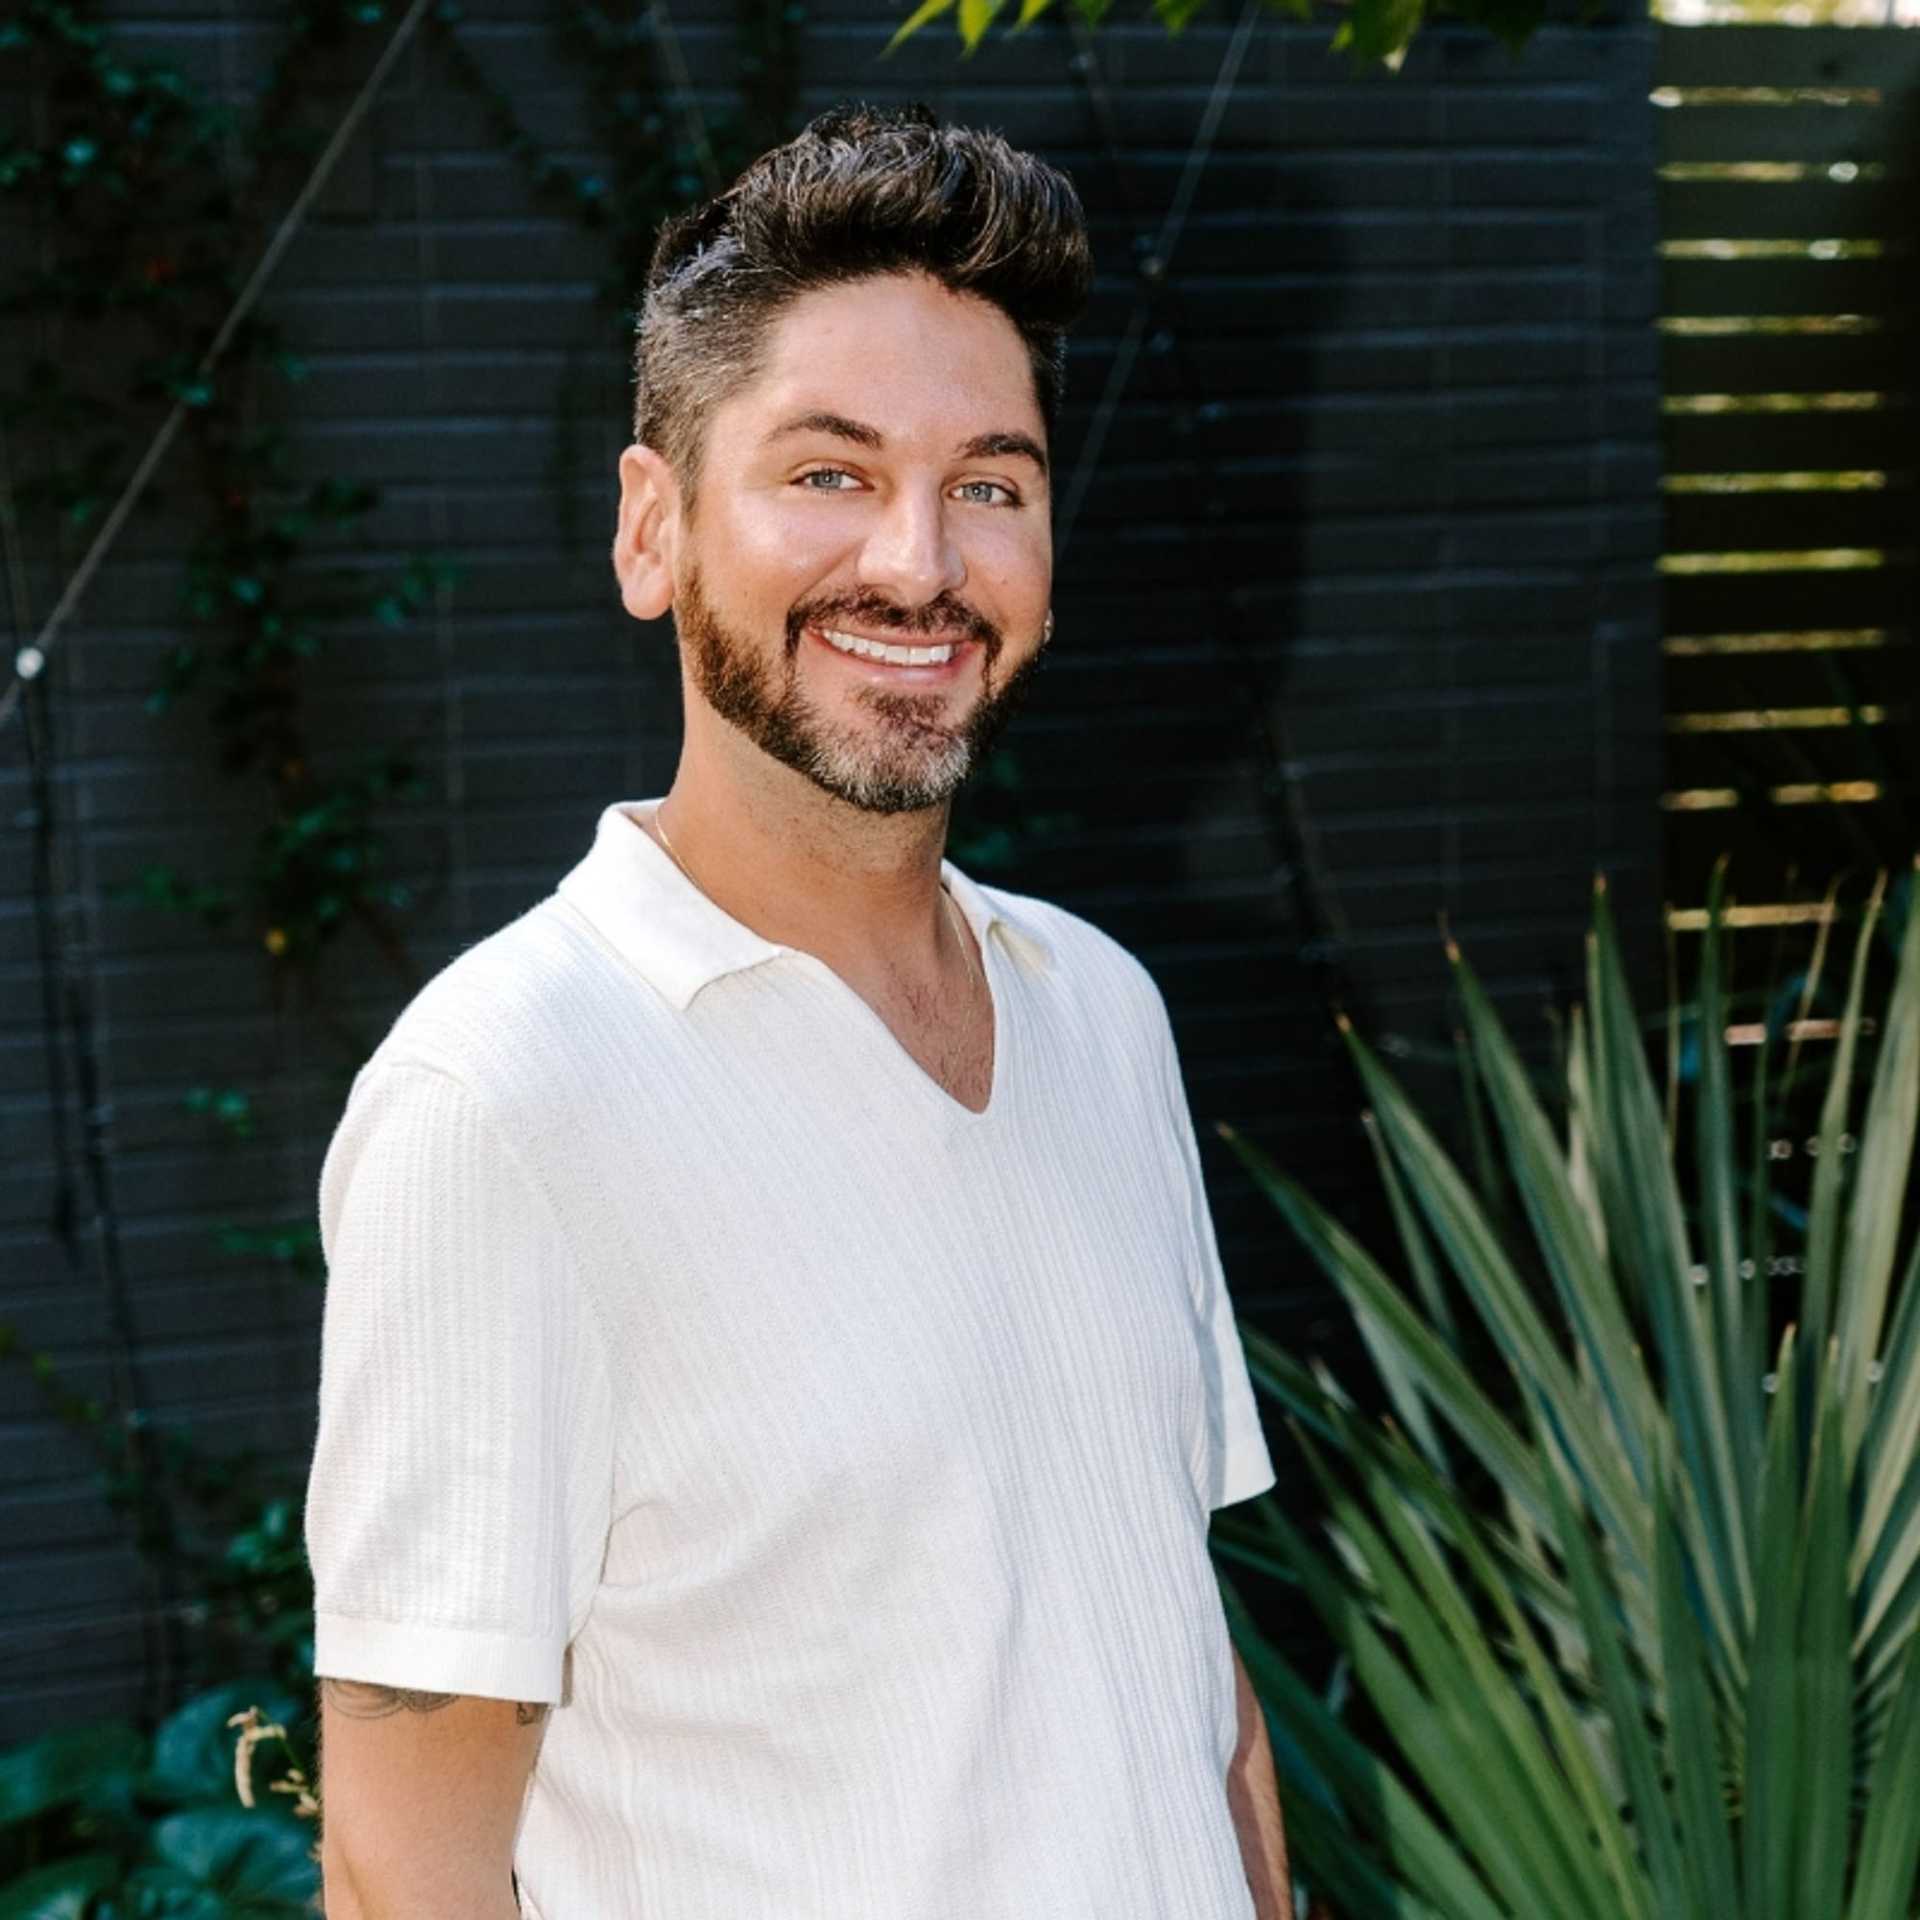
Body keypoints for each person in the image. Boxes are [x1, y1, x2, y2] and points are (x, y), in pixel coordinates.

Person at [303, 100, 1291, 1920]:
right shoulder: (505, 1096)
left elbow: (1175, 1664)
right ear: (652, 530)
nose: (918, 563)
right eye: (828, 472)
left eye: (989, 481)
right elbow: (399, 1865)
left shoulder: (1101, 1015)